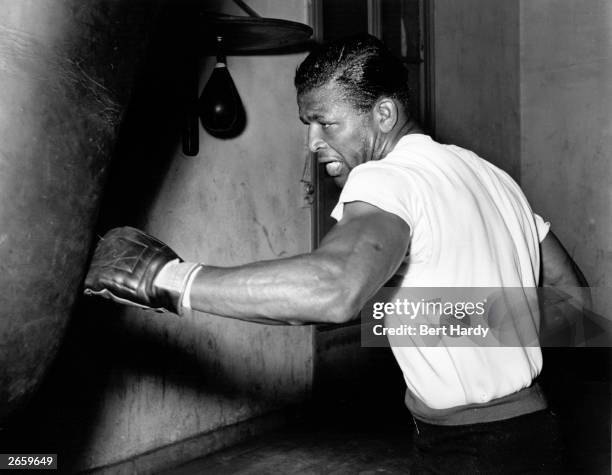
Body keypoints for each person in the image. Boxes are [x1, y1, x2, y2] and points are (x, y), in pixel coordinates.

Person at [84, 33, 590, 473]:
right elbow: (574, 300)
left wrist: (168, 277)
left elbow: (334, 289)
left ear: (384, 114)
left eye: (326, 123)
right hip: (535, 433)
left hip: (472, 452)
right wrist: (458, 320)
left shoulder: (387, 177)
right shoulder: (490, 175)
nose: (312, 142)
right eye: (307, 124)